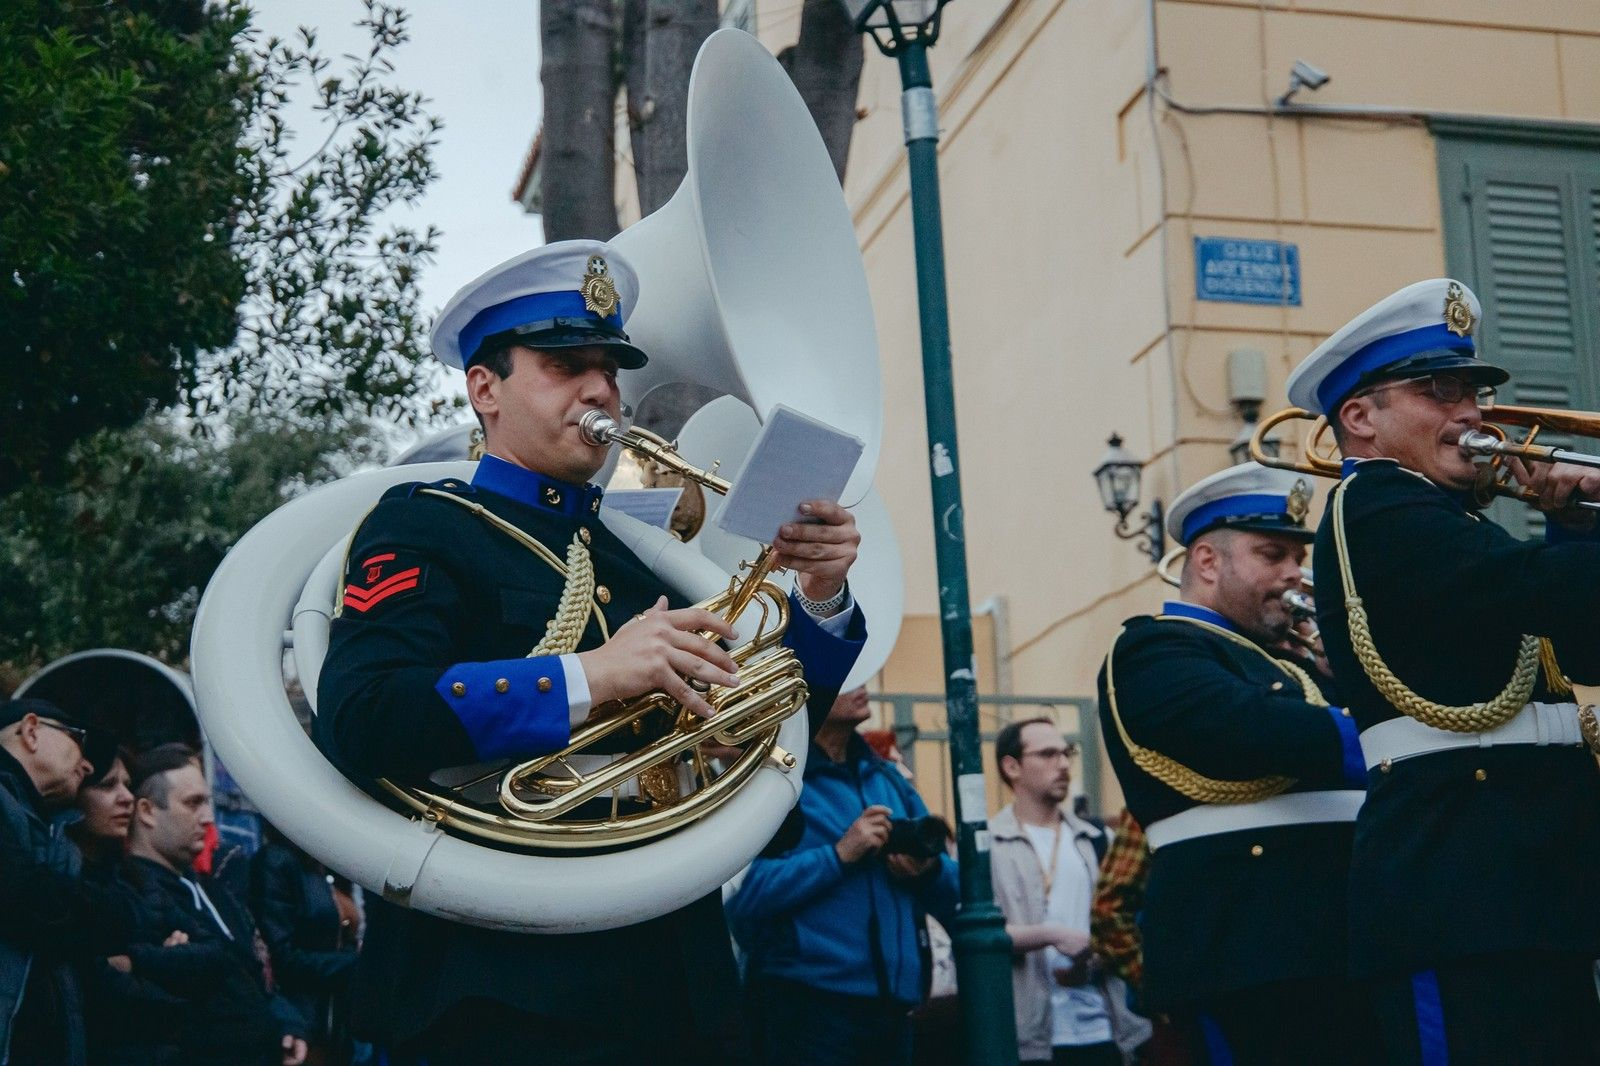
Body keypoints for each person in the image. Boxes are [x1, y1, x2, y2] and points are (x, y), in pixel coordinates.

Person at [315, 240, 867, 1063]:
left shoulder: (637, 554)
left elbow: (761, 739)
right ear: (484, 388)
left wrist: (819, 598)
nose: (603, 389)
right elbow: (363, 716)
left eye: (609, 368)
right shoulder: (423, 523)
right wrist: (594, 676)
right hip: (496, 979)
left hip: (673, 971)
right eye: (566, 364)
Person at [1285, 278, 1600, 1063]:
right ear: (1360, 418)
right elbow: (1526, 591)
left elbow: (1584, 642)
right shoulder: (1380, 510)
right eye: (1440, 391)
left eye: (1472, 392)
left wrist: (1567, 524)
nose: (1471, 413)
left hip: (1533, 889)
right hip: (1457, 888)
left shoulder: (1453, 524)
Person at [1096, 463, 1376, 1065]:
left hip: (1350, 942)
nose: (1294, 574)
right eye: (1272, 555)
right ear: (1206, 562)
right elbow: (1256, 730)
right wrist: (1394, 735)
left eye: (1298, 558)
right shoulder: (1154, 648)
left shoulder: (1297, 662)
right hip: (1247, 952)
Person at [727, 686, 957, 1066]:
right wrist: (838, 856)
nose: (863, 684)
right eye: (848, 674)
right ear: (808, 687)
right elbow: (743, 897)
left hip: (893, 1013)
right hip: (807, 1010)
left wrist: (926, 872)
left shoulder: (890, 779)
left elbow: (954, 890)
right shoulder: (775, 781)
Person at [120, 744, 308, 1065]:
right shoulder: (128, 898)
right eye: (193, 803)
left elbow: (251, 972)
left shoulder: (214, 890)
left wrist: (286, 1024)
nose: (208, 818)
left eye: (206, 802)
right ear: (148, 811)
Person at [989, 718, 1147, 1066]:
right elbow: (980, 937)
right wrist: (1050, 934)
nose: (1062, 764)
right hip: (1032, 1036)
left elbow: (1125, 923)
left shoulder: (1094, 839)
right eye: (1047, 754)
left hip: (1105, 1027)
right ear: (1011, 766)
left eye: (1066, 753)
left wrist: (1091, 960)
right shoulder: (989, 845)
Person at [0, 696, 145, 1066]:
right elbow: (32, 900)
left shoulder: (39, 824)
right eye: (77, 740)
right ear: (31, 732)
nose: (87, 764)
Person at [248, 826, 361, 1065]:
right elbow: (283, 959)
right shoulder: (276, 861)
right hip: (300, 1023)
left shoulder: (320, 864)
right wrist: (355, 962)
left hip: (334, 1021)